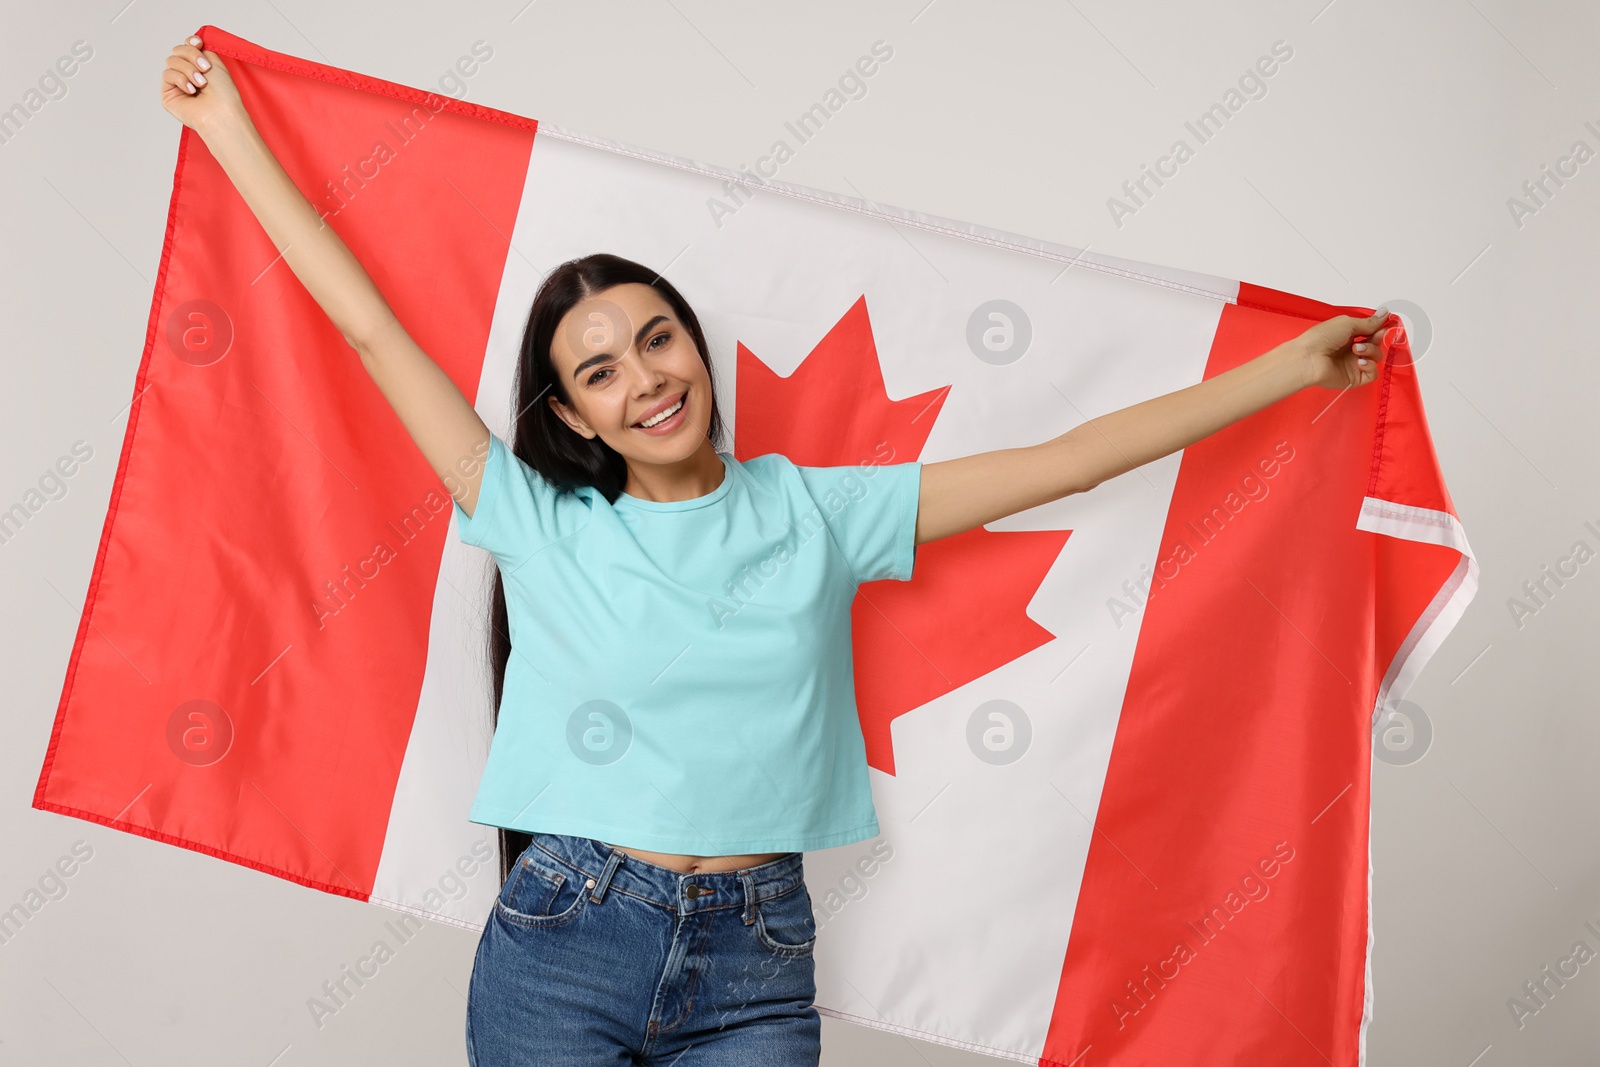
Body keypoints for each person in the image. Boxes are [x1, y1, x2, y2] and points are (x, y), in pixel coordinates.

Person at [159, 33, 1397, 1066]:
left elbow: (1066, 460)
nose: (645, 378)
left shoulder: (814, 509)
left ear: (696, 345)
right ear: (572, 415)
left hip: (756, 954)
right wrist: (226, 134)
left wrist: (1289, 368)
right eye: (600, 370)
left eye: (658, 339)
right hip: (565, 937)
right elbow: (371, 329)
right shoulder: (531, 516)